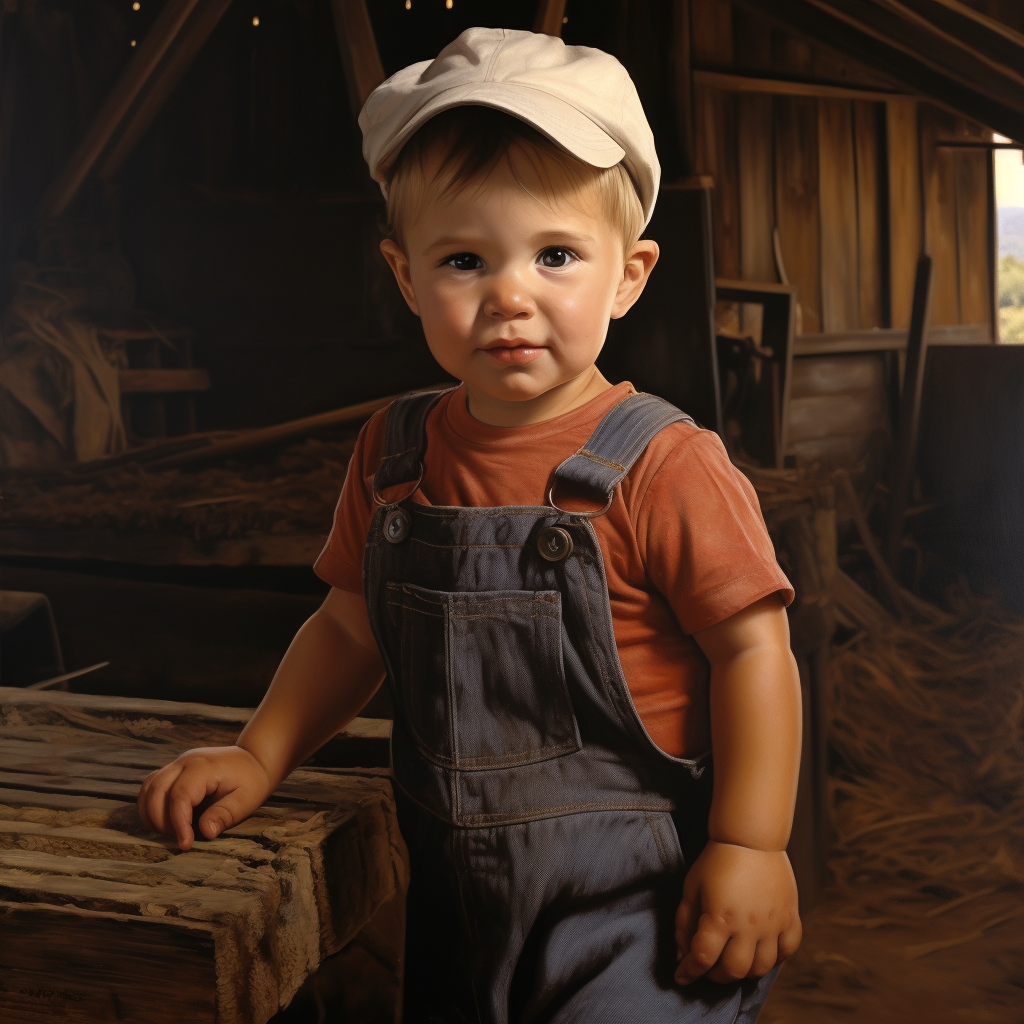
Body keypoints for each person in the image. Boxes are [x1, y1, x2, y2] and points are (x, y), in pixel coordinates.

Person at [137, 27, 802, 1023]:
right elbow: (347, 625)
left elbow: (753, 650)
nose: (509, 295)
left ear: (628, 274)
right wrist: (260, 753)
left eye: (555, 253)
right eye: (463, 258)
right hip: (455, 894)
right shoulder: (396, 452)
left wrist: (750, 843)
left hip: (638, 897)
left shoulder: (663, 463)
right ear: (407, 279)